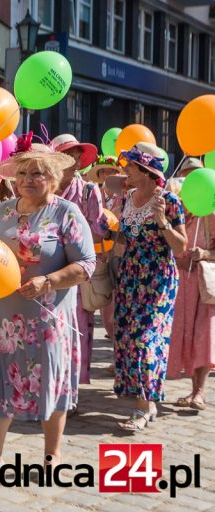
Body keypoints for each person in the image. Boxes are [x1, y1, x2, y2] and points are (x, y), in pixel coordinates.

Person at [0, 140, 96, 468]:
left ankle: (52, 455)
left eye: (37, 173)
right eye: (22, 172)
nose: (28, 178)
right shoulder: (5, 209)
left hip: (47, 321)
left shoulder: (66, 212)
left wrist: (48, 281)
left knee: (49, 387)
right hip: (4, 321)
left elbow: (86, 264)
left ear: (52, 178)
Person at [114, 143, 186, 432]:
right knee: (127, 337)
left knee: (146, 340)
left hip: (158, 279)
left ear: (145, 171)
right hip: (130, 276)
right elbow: (124, 239)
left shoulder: (169, 201)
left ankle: (145, 406)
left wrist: (162, 222)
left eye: (130, 166)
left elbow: (180, 248)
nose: (125, 171)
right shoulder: (127, 198)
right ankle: (143, 397)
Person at [52, 134, 106, 396]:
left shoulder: (88, 190)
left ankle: (70, 391)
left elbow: (99, 232)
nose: (74, 163)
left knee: (74, 330)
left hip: (76, 271)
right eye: (67, 157)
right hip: (46, 270)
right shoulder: (44, 189)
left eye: (76, 157)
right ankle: (47, 387)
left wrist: (70, 239)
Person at [166, 157, 214, 412]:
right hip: (179, 284)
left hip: (202, 286)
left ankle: (199, 391)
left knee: (203, 335)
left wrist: (204, 253)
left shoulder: (211, 214)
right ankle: (192, 388)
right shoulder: (177, 213)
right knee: (185, 336)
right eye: (186, 177)